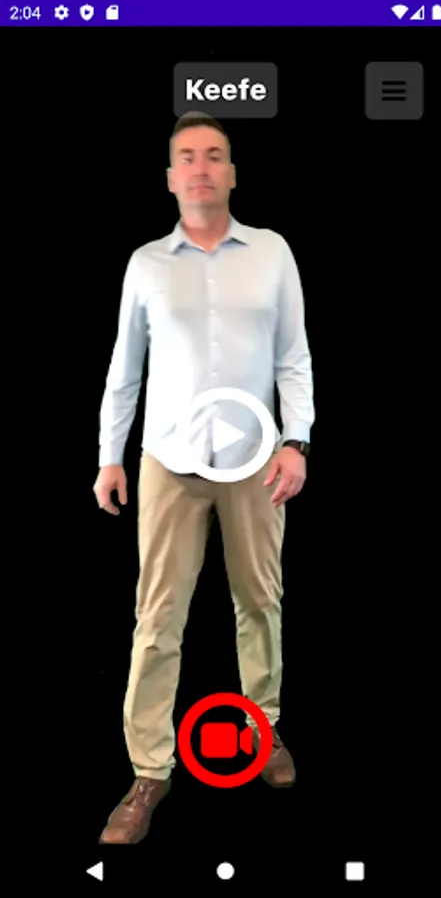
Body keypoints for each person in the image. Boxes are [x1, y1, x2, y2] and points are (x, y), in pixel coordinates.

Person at [93, 111, 315, 844]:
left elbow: (293, 358)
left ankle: (263, 729)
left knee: (260, 601)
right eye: (186, 156)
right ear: (169, 177)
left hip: (256, 460)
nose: (200, 167)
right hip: (169, 461)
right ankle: (148, 772)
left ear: (232, 173)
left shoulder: (273, 253)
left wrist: (297, 442)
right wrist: (110, 456)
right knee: (158, 617)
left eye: (214, 155)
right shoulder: (146, 265)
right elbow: (125, 368)